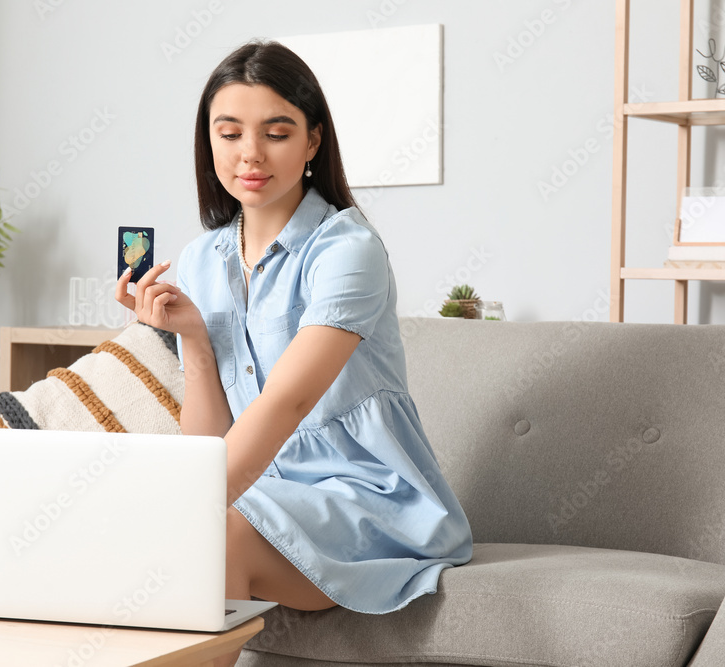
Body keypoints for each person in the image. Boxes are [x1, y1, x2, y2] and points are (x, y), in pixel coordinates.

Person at [115, 41, 472, 666]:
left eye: (276, 133)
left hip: (371, 498)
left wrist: (179, 501)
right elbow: (211, 441)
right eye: (229, 134)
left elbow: (289, 400)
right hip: (263, 492)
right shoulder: (201, 260)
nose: (249, 154)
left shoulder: (346, 250)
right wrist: (194, 341)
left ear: (312, 142)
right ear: (209, 144)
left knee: (206, 530)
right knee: (169, 529)